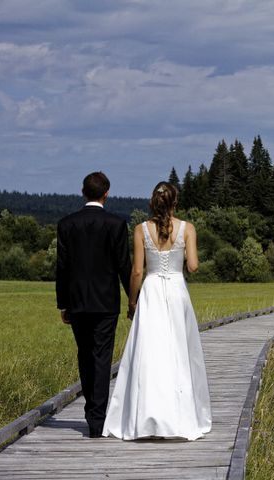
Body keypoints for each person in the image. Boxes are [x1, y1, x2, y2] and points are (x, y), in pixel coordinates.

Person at [103, 181, 212, 440]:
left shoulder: (141, 229)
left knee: (149, 351)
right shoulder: (188, 228)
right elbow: (194, 266)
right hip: (176, 290)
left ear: (153, 201)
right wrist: (184, 255)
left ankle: (144, 417)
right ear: (175, 202)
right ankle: (180, 417)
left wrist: (132, 302)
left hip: (151, 291)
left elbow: (137, 271)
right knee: (178, 351)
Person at [55, 172, 131, 438]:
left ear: (82, 192)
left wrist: (62, 304)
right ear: (106, 193)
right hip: (106, 302)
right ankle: (96, 419)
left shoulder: (66, 224)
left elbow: (62, 267)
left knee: (84, 355)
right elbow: (124, 266)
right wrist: (133, 298)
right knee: (101, 358)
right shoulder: (116, 224)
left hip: (77, 302)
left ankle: (92, 412)